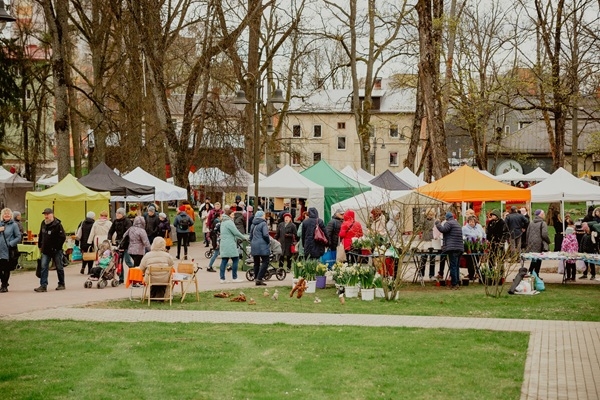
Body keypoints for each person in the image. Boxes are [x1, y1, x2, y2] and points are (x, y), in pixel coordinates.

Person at [35, 208, 67, 292]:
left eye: (47, 214)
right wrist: (40, 245)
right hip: (46, 250)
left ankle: (61, 283)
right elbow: (41, 235)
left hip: (56, 250)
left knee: (59, 266)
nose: (46, 216)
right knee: (44, 267)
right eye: (45, 214)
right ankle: (43, 285)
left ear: (52, 214)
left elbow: (63, 237)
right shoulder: (43, 223)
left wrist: (57, 247)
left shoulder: (58, 225)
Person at [435, 212, 464, 290]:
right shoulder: (457, 224)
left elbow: (443, 230)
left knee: (453, 266)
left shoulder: (449, 223)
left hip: (453, 248)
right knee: (456, 266)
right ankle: (457, 283)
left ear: (447, 218)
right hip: (459, 248)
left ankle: (454, 284)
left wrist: (437, 223)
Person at [218, 209, 248, 283]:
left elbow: (229, 233)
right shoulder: (229, 222)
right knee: (235, 259)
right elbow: (236, 232)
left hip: (224, 243)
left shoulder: (223, 222)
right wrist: (244, 237)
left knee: (224, 260)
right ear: (229, 215)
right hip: (230, 243)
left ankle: (222, 278)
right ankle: (234, 277)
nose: (233, 216)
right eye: (232, 215)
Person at [0, 208, 21, 292]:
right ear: (2, 215)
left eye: (8, 214)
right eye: (5, 214)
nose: (7, 215)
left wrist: (10, 244)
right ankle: (4, 282)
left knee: (6, 268)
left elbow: (18, 237)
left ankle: (4, 286)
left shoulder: (14, 225)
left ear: (11, 215)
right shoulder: (0, 224)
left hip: (7, 250)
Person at [526, 209, 550, 277]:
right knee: (538, 259)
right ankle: (536, 274)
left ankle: (531, 273)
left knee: (534, 259)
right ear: (541, 215)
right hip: (539, 243)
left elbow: (527, 233)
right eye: (544, 214)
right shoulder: (543, 223)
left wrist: (528, 243)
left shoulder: (531, 222)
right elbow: (544, 234)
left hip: (531, 243)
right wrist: (548, 241)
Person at [462, 215, 486, 281]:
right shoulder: (464, 228)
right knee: (470, 261)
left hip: (478, 246)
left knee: (476, 260)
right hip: (469, 246)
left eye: (473, 222)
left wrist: (484, 241)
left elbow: (483, 234)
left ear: (475, 222)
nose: (471, 223)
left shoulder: (479, 227)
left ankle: (477, 273)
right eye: (470, 222)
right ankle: (471, 275)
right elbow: (463, 236)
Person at [250, 210, 270, 286]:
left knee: (256, 262)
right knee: (265, 261)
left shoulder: (253, 224)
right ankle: (259, 278)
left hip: (254, 244)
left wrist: (253, 242)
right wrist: (268, 241)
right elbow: (265, 234)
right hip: (262, 245)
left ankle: (256, 277)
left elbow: (251, 236)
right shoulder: (263, 223)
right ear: (262, 216)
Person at [419, 209, 437, 280]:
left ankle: (431, 274)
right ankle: (421, 274)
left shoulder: (435, 221)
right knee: (424, 257)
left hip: (432, 239)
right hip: (425, 238)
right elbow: (420, 226)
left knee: (432, 258)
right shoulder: (424, 220)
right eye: (429, 214)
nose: (431, 216)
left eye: (432, 215)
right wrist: (422, 217)